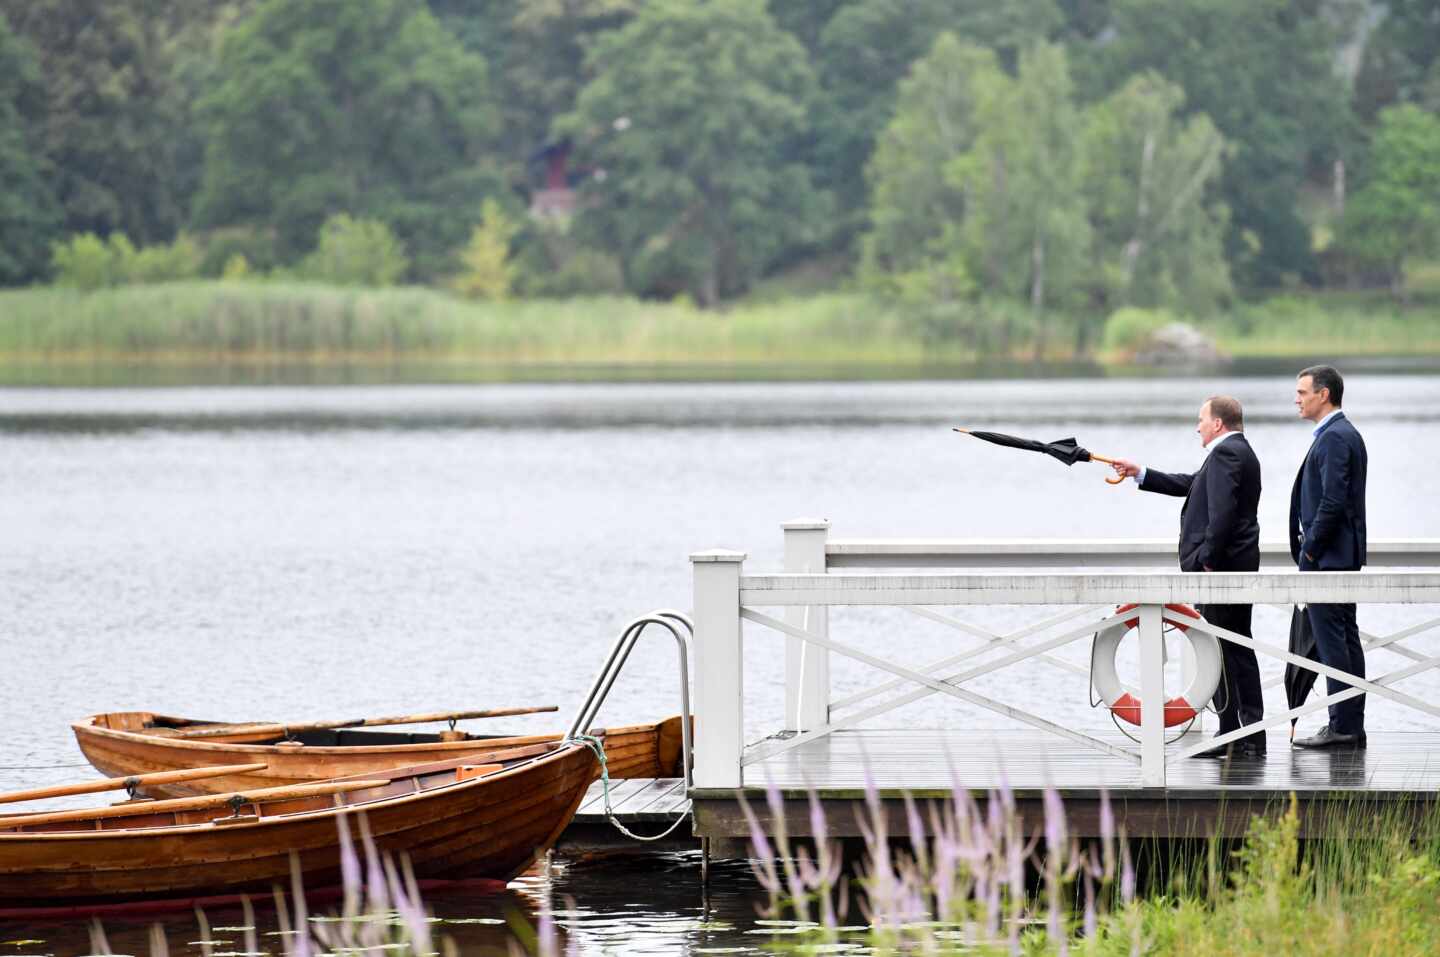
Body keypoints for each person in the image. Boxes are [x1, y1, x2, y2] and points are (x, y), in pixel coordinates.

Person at [1110, 396, 1265, 759]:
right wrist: (1141, 473)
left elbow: (1223, 515)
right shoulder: (1236, 452)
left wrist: (1206, 561)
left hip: (1222, 571)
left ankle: (1236, 735)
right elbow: (1193, 484)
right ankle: (1240, 734)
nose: (1197, 427)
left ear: (1218, 424)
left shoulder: (1228, 454)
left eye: (1201, 420)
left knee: (1227, 648)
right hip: (1232, 568)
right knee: (1233, 647)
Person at [1290, 365, 1369, 750]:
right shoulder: (1339, 433)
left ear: (1324, 395)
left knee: (1334, 641)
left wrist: (1310, 549)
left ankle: (1343, 724)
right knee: (1344, 639)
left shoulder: (1336, 437)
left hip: (1330, 559)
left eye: (1303, 392)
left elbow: (1334, 501)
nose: (1297, 399)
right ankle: (1350, 724)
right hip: (1338, 556)